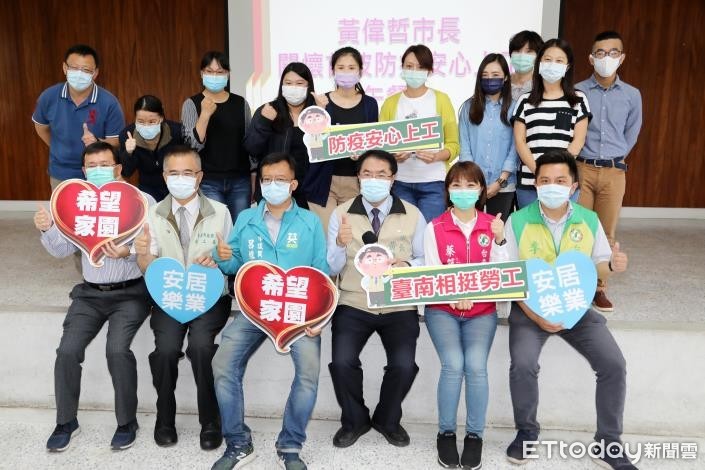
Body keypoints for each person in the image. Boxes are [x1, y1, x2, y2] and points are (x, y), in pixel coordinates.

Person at [492, 150, 636, 470]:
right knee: (523, 364)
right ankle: (527, 432)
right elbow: (510, 277)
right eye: (544, 180)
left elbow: (599, 265)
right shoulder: (518, 220)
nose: (551, 186)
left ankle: (608, 442)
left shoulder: (589, 219)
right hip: (530, 308)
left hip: (575, 307)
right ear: (535, 184)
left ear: (573, 186)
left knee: (614, 364)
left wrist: (613, 265)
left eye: (560, 180)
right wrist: (536, 316)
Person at [210, 152, 328, 470]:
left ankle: (290, 445)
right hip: (255, 309)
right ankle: (238, 443)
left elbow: (320, 272)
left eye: (280, 179)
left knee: (308, 373)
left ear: (293, 184)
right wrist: (222, 256)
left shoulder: (310, 222)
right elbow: (235, 264)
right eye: (266, 179)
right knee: (223, 363)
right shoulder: (247, 218)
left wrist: (318, 317)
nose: (272, 185)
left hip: (298, 312)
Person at [36, 142, 151, 452]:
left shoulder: (141, 201)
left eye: (105, 164)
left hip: (130, 293)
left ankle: (127, 422)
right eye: (92, 166)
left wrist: (128, 253)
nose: (99, 170)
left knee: (117, 350)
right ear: (84, 172)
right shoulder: (77, 203)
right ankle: (66, 422)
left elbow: (154, 247)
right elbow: (61, 250)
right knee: (67, 351)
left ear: (118, 168)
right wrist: (47, 229)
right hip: (89, 294)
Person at [134, 145, 233, 450]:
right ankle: (165, 418)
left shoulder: (220, 211)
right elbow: (147, 265)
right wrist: (142, 255)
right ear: (164, 177)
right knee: (165, 350)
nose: (181, 179)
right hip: (170, 295)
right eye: (174, 173)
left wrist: (222, 258)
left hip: (209, 295)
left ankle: (211, 421)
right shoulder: (152, 214)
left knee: (202, 347)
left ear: (199, 177)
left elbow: (231, 260)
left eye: (187, 173)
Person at [327, 149, 426, 448]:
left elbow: (425, 258)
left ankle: (387, 419)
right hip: (354, 300)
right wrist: (339, 244)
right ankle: (354, 420)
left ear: (393, 179)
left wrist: (406, 265)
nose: (374, 180)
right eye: (367, 174)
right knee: (342, 362)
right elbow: (331, 267)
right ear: (358, 177)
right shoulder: (341, 214)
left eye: (381, 174)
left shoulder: (413, 213)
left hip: (398, 302)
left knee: (404, 365)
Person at [423, 161, 504, 469]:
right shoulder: (435, 227)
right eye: (456, 185)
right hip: (442, 310)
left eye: (471, 185)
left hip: (482, 311)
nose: (464, 191)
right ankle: (446, 432)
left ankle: (474, 435)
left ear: (481, 190)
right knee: (453, 364)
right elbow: (432, 273)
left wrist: (500, 239)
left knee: (476, 366)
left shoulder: (493, 224)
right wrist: (454, 295)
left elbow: (502, 275)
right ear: (447, 190)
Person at [576, 31, 643, 313]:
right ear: (591, 58)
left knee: (606, 233)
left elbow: (632, 133)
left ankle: (599, 287)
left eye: (613, 52)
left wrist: (615, 156)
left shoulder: (632, 95)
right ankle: (578, 285)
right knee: (578, 230)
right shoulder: (577, 91)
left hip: (614, 171)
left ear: (622, 57)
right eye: (601, 53)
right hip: (581, 168)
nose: (607, 58)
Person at [380, 44, 460, 222]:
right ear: (402, 68)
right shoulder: (390, 103)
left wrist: (437, 156)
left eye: (420, 67)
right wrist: (393, 156)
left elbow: (454, 145)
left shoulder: (441, 100)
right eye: (409, 66)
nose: (414, 71)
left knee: (430, 233)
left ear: (429, 71)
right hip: (400, 182)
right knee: (403, 233)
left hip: (434, 182)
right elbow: (381, 148)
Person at [304, 47, 379, 234]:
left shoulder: (370, 104)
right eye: (341, 67)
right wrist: (320, 111)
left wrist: (363, 155)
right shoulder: (322, 101)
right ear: (333, 71)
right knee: (326, 235)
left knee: (351, 236)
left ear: (360, 71)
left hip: (356, 182)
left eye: (351, 68)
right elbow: (312, 143)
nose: (346, 72)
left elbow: (374, 144)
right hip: (324, 181)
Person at [512, 38, 591, 209]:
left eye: (559, 61)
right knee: (529, 225)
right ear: (539, 63)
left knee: (563, 226)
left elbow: (578, 141)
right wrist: (541, 174)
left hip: (565, 183)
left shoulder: (578, 99)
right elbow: (520, 141)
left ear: (567, 67)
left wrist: (556, 175)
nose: (552, 64)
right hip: (530, 182)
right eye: (547, 59)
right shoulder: (525, 100)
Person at [32, 44, 125, 189]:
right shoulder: (48, 97)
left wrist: (96, 142)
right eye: (74, 68)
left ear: (95, 73)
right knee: (63, 204)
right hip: (61, 173)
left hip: (98, 173)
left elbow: (116, 141)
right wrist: (59, 147)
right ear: (65, 68)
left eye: (86, 70)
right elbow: (41, 127)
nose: (79, 74)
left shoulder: (109, 102)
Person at [182, 51, 252, 222]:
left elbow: (249, 143)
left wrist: (254, 177)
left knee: (240, 227)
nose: (214, 76)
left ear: (227, 74)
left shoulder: (241, 103)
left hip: (240, 180)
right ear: (201, 74)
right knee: (214, 228)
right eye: (209, 71)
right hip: (208, 180)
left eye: (220, 72)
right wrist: (205, 115)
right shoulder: (191, 103)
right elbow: (192, 146)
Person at [244, 62, 318, 209]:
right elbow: (251, 148)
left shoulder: (317, 113)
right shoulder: (268, 110)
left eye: (299, 83)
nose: (293, 87)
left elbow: (324, 151)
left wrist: (322, 115)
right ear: (281, 86)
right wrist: (264, 122)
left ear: (308, 86)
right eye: (288, 83)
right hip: (275, 188)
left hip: (309, 190)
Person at [458, 53, 518, 222]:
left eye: (495, 75)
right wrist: (473, 181)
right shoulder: (468, 107)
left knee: (497, 230)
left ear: (505, 77)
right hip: (472, 186)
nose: (490, 79)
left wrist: (500, 181)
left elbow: (515, 148)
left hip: (504, 185)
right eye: (485, 75)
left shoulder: (514, 107)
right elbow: (465, 147)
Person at [119, 95, 184, 201]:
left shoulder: (177, 132)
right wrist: (128, 153)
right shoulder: (127, 135)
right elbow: (126, 172)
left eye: (152, 121)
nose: (146, 125)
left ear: (161, 118)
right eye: (140, 121)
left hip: (176, 185)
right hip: (147, 187)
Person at [508, 31, 544, 101]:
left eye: (529, 51)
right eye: (517, 51)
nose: (522, 55)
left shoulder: (542, 85)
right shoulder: (502, 82)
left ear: (538, 56)